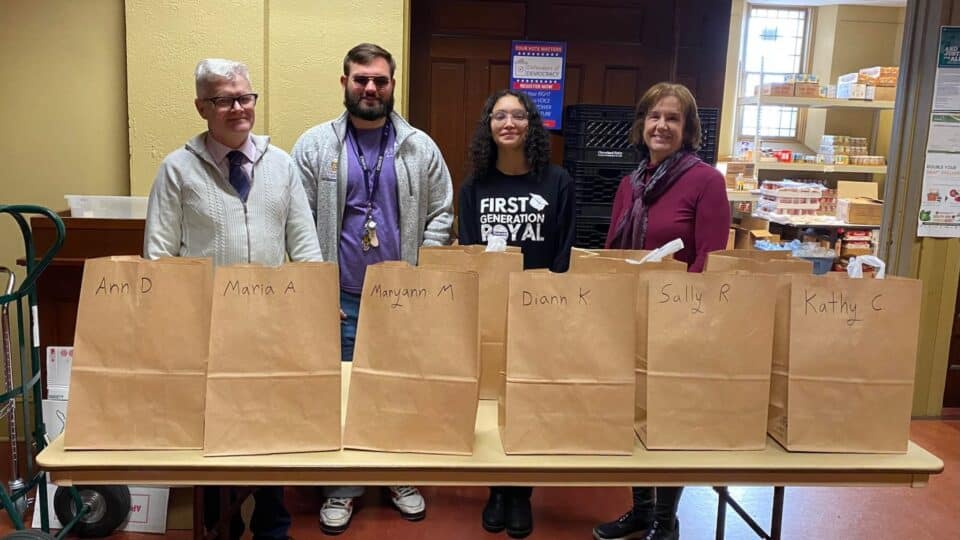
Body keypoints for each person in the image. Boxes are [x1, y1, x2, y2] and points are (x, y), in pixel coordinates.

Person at [144, 58, 324, 540]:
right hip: (206, 333)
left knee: (272, 433)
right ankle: (218, 524)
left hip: (273, 331)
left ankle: (272, 526)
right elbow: (159, 256)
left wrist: (307, 317)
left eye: (245, 97)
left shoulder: (282, 165)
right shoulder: (177, 170)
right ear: (202, 106)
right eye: (225, 99)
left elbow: (306, 249)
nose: (238, 108)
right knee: (216, 439)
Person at [291, 42, 454, 535]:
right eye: (361, 79)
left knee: (398, 389)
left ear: (392, 85)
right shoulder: (315, 146)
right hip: (337, 294)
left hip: (400, 297)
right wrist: (315, 287)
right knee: (340, 393)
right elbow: (295, 222)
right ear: (344, 83)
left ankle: (398, 474)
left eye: (380, 80)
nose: (370, 88)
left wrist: (417, 277)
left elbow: (442, 212)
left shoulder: (418, 146)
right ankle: (343, 483)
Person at [593, 82, 730, 540]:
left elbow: (710, 260)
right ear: (642, 123)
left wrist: (680, 314)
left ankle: (663, 519)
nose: (662, 125)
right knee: (630, 411)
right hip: (628, 318)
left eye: (673, 118)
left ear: (688, 129)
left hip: (680, 322)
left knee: (672, 419)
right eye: (654, 116)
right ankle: (640, 509)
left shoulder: (706, 181)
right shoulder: (630, 184)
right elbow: (614, 248)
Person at [458, 89, 576, 538]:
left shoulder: (557, 182)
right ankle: (496, 489)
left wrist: (552, 307)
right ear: (488, 125)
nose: (509, 123)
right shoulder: (473, 187)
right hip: (490, 311)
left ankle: (521, 492)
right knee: (488, 402)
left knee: (530, 402)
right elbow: (470, 251)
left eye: (518, 115)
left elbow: (565, 249)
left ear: (531, 125)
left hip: (541, 311)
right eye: (499, 115)